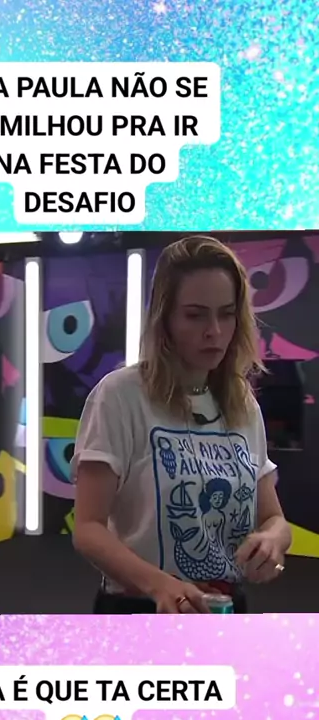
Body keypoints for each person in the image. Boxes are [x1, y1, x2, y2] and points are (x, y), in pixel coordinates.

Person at [71, 235, 292, 614]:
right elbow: (88, 528)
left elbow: (274, 518)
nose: (214, 331)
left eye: (226, 314)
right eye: (195, 315)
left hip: (223, 606)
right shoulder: (120, 395)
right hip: (140, 607)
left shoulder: (242, 403)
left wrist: (273, 541)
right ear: (165, 319)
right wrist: (160, 585)